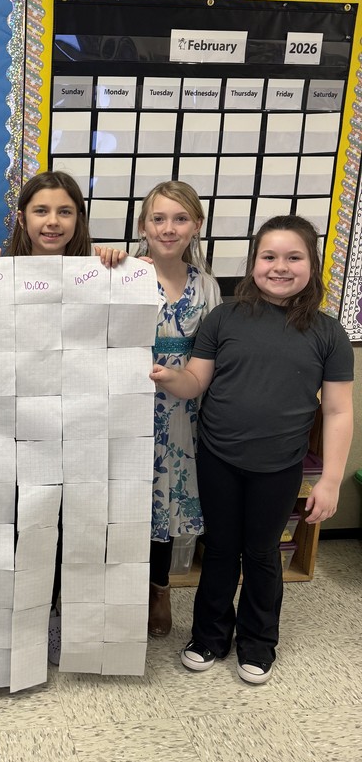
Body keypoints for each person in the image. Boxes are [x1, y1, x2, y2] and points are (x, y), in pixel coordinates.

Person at [151, 215, 354, 684]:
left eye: (293, 258)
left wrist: (329, 481)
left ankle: (258, 644)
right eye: (269, 257)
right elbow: (196, 380)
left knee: (262, 553)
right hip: (218, 457)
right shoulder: (224, 318)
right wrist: (168, 375)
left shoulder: (328, 333)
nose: (279, 267)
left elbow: (339, 412)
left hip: (279, 466)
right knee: (220, 549)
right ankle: (208, 637)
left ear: (312, 265)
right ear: (253, 262)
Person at [0, 170, 120, 664]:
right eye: (41, 211)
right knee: (22, 519)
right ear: (22, 218)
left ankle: (57, 616)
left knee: (70, 521)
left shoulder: (99, 272)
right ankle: (20, 619)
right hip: (16, 425)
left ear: (78, 219)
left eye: (64, 211)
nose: (52, 222)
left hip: (79, 422)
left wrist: (116, 265)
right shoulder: (1, 271)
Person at [135, 182, 221, 638]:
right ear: (143, 225)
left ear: (197, 226)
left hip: (183, 410)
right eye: (158, 219)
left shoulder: (206, 285)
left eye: (180, 219)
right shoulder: (122, 272)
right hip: (127, 405)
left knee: (165, 503)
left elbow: (212, 353)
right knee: (125, 497)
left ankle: (159, 587)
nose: (168, 229)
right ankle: (116, 587)